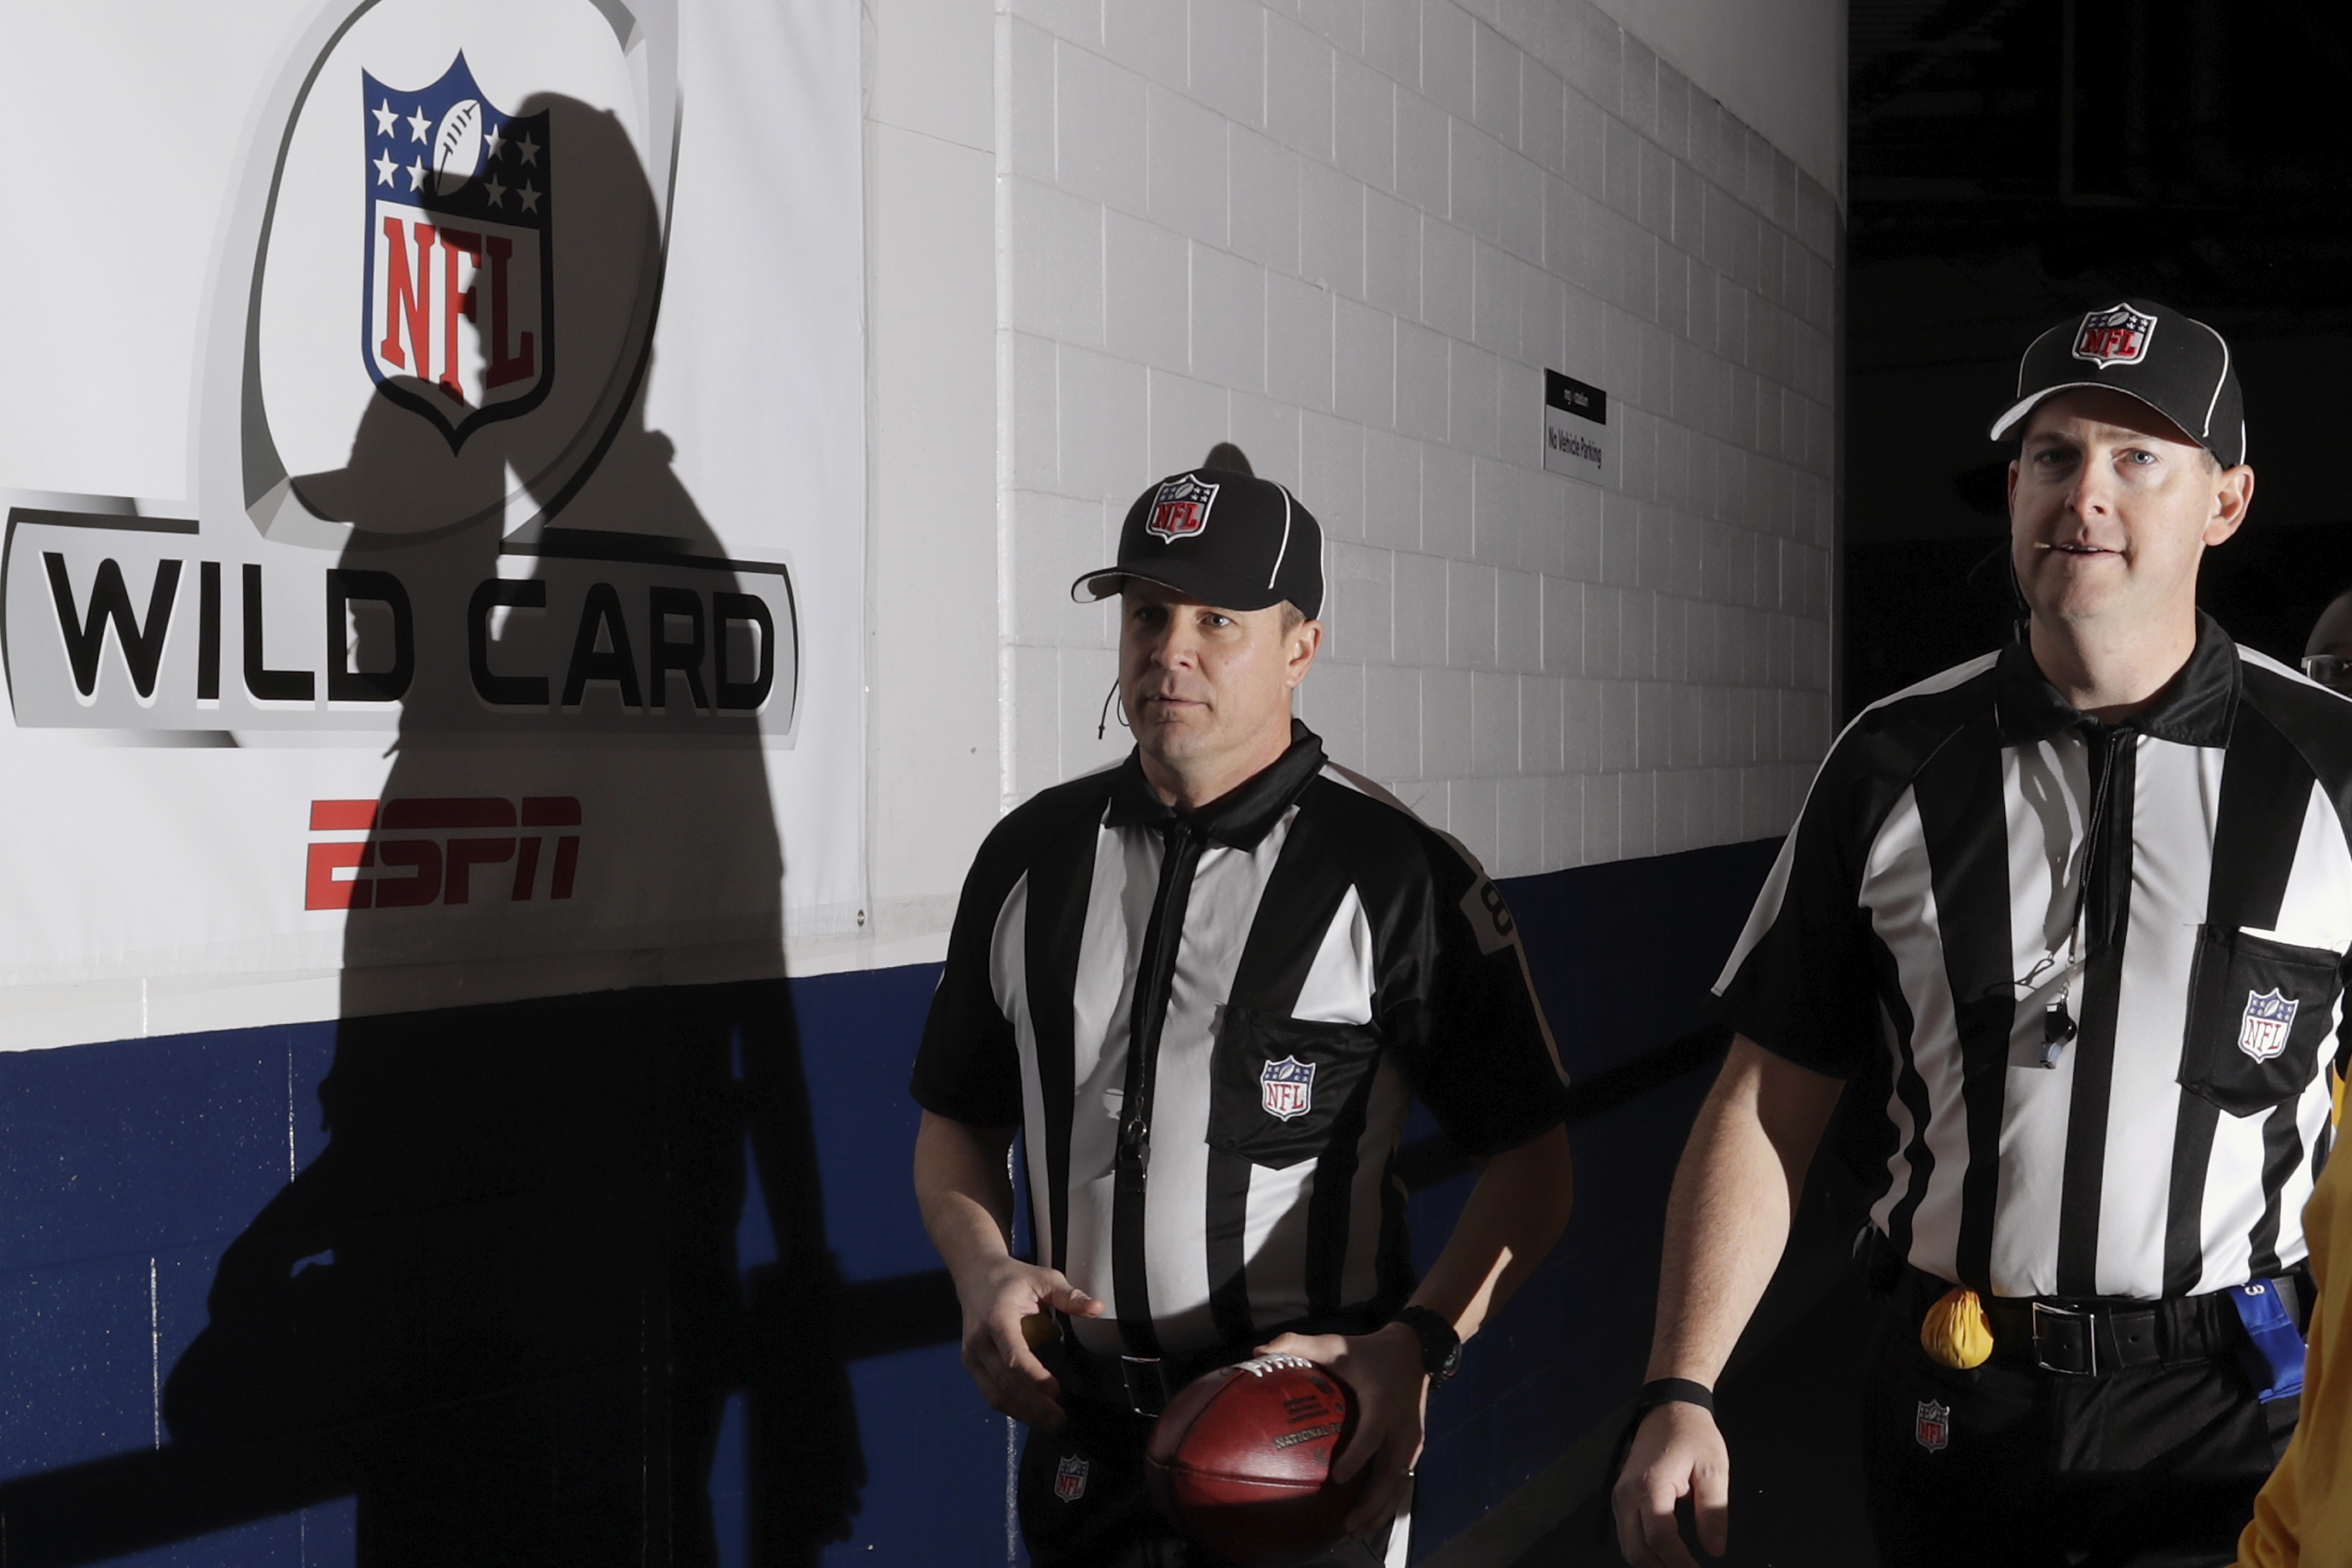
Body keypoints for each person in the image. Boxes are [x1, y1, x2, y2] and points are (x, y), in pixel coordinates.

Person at [1614, 300, 2352, 1568]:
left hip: (2233, 1413)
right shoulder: (1891, 760)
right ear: (2012, 488)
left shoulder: (2330, 769)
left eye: (2137, 460)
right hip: (1955, 1394)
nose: (2086, 497)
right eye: (2055, 456)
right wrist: (1680, 1386)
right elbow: (1767, 1097)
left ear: (2223, 503)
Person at [910, 444, 1576, 1567]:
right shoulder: (1028, 859)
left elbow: (1533, 1166)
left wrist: (1416, 1347)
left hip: (1298, 1444)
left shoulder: (1397, 872)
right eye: (1147, 610)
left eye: (1218, 618)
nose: (1171, 647)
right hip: (1079, 1436)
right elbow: (956, 1124)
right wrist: (980, 1265)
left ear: (1300, 646)